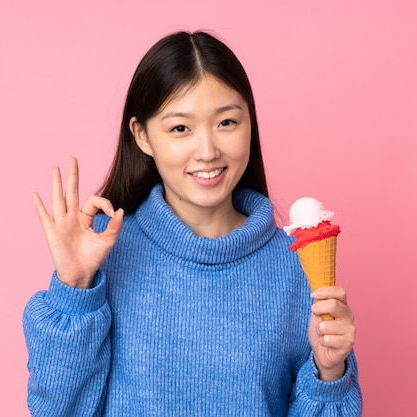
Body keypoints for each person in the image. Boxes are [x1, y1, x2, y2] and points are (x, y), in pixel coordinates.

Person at [23, 30, 362, 417]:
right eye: (180, 128)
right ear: (142, 136)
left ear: (250, 122)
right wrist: (73, 289)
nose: (207, 151)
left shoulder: (297, 266)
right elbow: (57, 410)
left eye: (227, 122)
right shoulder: (100, 254)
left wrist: (329, 372)